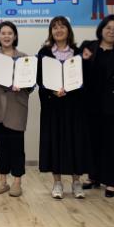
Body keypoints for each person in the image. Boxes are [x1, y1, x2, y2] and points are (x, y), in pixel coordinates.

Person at [80, 15, 114, 197]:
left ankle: (112, 181)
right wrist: (84, 59)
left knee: (113, 143)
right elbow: (77, 71)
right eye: (108, 28)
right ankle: (93, 176)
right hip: (90, 102)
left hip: (113, 104)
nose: (111, 31)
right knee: (92, 141)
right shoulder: (88, 46)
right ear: (101, 29)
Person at [37, 16, 89, 199]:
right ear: (51, 32)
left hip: (74, 106)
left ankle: (76, 182)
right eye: (55, 27)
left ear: (68, 30)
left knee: (76, 142)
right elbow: (39, 79)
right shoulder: (44, 53)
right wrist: (52, 91)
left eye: (62, 27)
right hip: (53, 106)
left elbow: (86, 78)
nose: (58, 30)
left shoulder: (78, 52)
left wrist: (86, 62)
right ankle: (57, 182)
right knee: (55, 142)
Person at [0, 21, 32, 198]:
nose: (7, 36)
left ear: (15, 36)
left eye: (10, 33)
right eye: (3, 33)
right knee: (0, 146)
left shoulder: (24, 57)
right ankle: (3, 180)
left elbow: (31, 84)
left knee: (17, 145)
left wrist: (22, 85)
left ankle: (17, 181)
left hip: (16, 106)